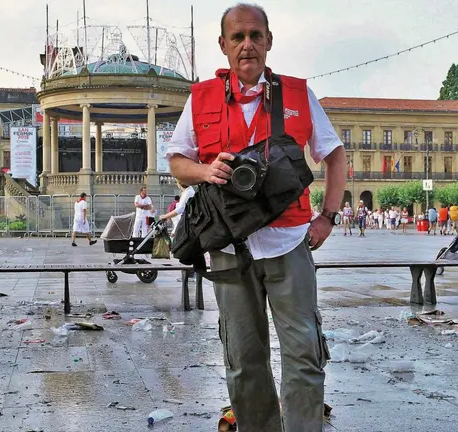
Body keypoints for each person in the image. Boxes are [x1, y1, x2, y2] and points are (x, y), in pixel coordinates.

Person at [165, 4, 346, 430]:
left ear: (268, 40)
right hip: (229, 248)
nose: (247, 44)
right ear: (224, 45)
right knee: (244, 359)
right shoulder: (201, 97)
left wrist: (328, 216)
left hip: (288, 242)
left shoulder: (298, 94)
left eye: (255, 35)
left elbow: (335, 155)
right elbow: (176, 161)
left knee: (304, 352)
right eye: (238, 37)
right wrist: (206, 171)